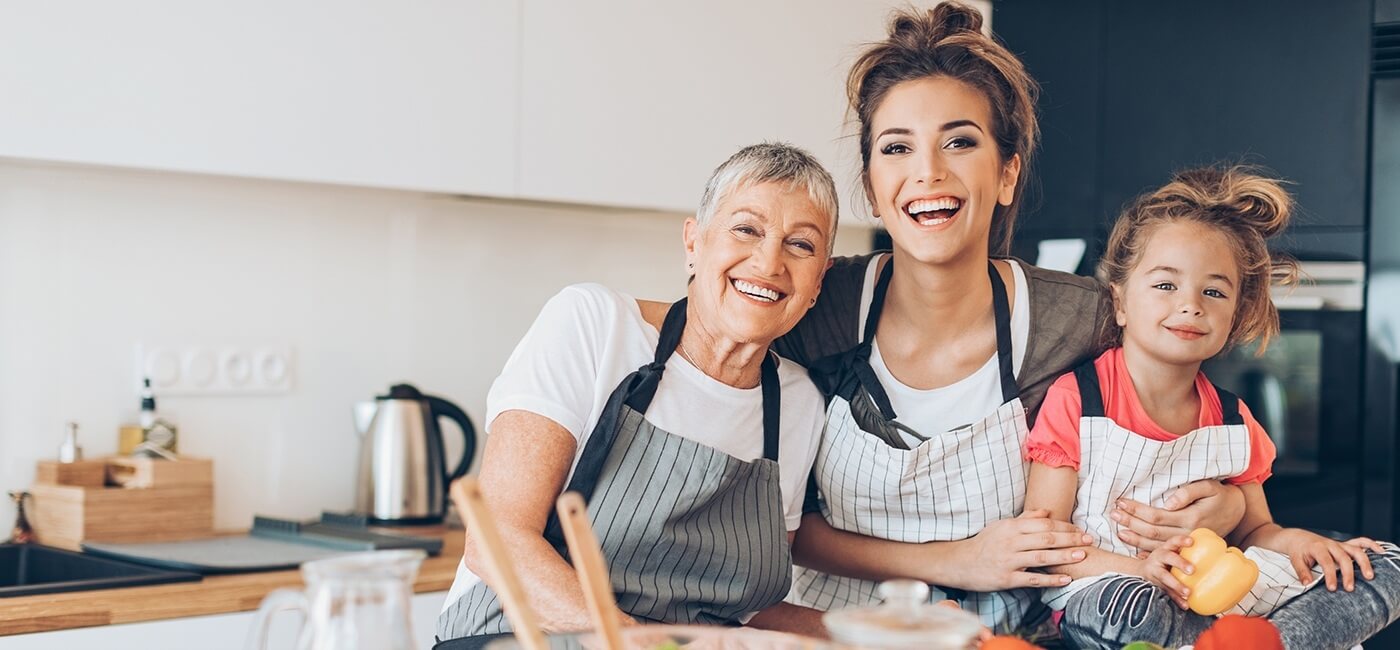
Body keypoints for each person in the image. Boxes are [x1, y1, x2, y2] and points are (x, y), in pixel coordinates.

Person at [770, 2, 1248, 636]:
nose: (928, 171)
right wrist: (959, 561)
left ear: (1007, 172)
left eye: (960, 141)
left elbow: (1179, 429)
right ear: (872, 185)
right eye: (896, 147)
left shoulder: (1077, 317)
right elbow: (784, 528)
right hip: (840, 630)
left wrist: (1231, 505)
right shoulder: (819, 305)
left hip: (1011, 637)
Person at [435, 143, 837, 643]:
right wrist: (637, 641)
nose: (769, 260)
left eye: (800, 245)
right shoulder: (595, 325)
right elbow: (498, 540)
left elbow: (747, 611)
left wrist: (890, 633)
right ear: (694, 242)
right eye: (746, 229)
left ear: (819, 280)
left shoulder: (798, 405)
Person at [1024, 165, 1400, 649]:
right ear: (1119, 302)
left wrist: (1301, 543)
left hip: (1217, 594)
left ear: (1235, 315)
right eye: (1165, 285)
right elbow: (1047, 546)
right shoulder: (1078, 398)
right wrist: (1144, 569)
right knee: (1124, 610)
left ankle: (1243, 642)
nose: (1191, 305)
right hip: (1115, 586)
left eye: (1214, 291)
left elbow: (1256, 531)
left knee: (1380, 564)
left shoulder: (1232, 417)